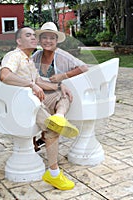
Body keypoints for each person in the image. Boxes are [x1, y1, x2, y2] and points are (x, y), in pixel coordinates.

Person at [0, 26, 78, 190]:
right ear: (19, 41)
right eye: (28, 35)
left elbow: (40, 81)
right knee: (53, 130)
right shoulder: (14, 56)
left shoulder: (27, 60)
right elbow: (5, 75)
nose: (33, 38)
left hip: (35, 101)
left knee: (64, 95)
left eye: (33, 35)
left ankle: (60, 116)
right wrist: (30, 84)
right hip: (24, 105)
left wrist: (59, 85)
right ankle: (54, 174)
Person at [32, 22, 89, 151]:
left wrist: (63, 76)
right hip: (40, 93)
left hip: (57, 94)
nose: (48, 41)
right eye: (45, 37)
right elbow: (28, 74)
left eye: (52, 38)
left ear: (57, 41)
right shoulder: (36, 56)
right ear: (40, 40)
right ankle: (37, 139)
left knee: (63, 97)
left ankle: (58, 120)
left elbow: (84, 67)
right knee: (32, 103)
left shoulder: (62, 55)